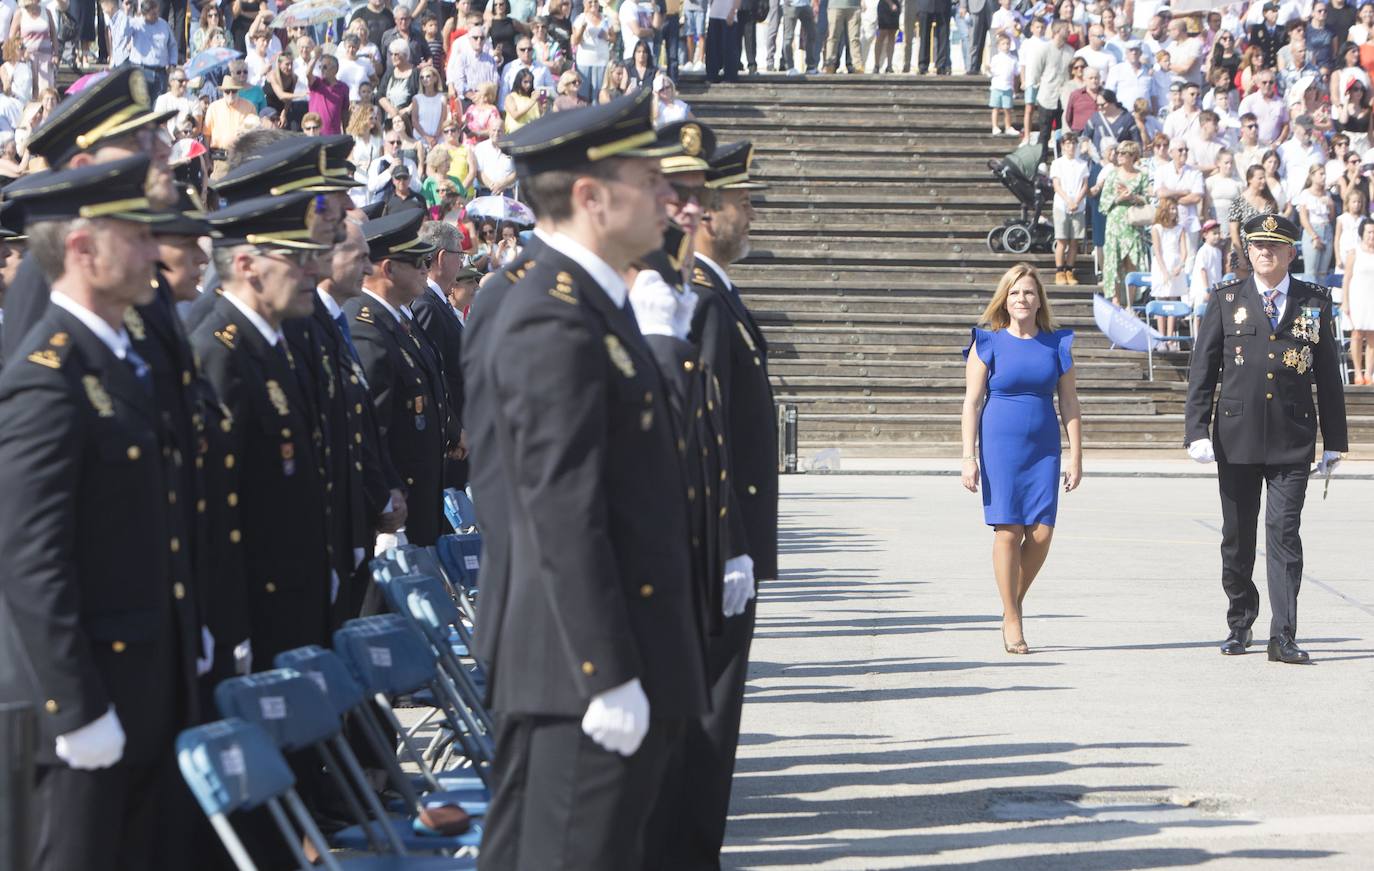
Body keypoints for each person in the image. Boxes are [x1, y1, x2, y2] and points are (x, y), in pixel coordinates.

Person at [466, 90, 709, 870]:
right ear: (589, 196)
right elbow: (558, 507)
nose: (669, 195)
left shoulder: (595, 304)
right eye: (647, 176)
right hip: (580, 672)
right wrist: (605, 671)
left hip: (607, 659)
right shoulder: (551, 313)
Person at [0, 155, 196, 871]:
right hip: (87, 708)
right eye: (135, 234)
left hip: (148, 692)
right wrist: (74, 708)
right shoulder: (46, 378)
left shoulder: (120, 361)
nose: (154, 250)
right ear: (82, 248)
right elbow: (29, 559)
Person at [1186, 214, 1348, 664]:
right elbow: (1204, 368)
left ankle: (1284, 635)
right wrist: (1195, 429)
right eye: (1257, 246)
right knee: (1238, 537)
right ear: (1249, 251)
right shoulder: (1227, 298)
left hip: (1291, 436)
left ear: (1291, 252)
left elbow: (1327, 374)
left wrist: (1336, 440)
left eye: (1275, 247)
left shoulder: (1313, 301)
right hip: (1235, 436)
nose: (1264, 253)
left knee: (1284, 535)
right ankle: (1240, 624)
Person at [680, 138, 775, 868]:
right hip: (718, 545)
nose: (750, 215)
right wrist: (730, 539)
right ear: (709, 213)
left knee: (719, 716)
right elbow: (708, 437)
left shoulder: (718, 293)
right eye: (742, 203)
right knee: (708, 717)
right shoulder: (705, 302)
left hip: (730, 540)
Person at [960, 263, 1081, 655]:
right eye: (1014, 293)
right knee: (1008, 531)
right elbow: (972, 401)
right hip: (1000, 443)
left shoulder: (1056, 344)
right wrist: (968, 456)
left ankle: (1011, 600)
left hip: (1044, 445)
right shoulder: (987, 342)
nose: (1022, 299)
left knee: (1042, 533)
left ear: (1039, 299)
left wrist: (1076, 454)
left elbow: (1070, 402)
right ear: (1004, 299)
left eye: (1029, 292)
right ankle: (1012, 617)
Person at [343, 207, 448, 546]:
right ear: (388, 269)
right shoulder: (367, 328)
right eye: (418, 263)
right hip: (396, 510)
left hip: (417, 501)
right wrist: (385, 496)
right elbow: (374, 430)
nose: (425, 271)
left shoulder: (397, 322)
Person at [412, 220, 470, 492]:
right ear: (442, 257)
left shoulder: (437, 303)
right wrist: (454, 430)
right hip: (452, 440)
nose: (461, 263)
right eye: (459, 255)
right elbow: (434, 374)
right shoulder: (426, 305)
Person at [1097, 139, 1150, 308]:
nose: (1118, 156)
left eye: (1122, 153)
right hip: (1115, 224)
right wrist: (1120, 198)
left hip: (1133, 223)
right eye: (1118, 153)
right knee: (1114, 262)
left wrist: (1133, 197)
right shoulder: (1112, 175)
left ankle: (1130, 303)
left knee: (1132, 262)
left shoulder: (1142, 176)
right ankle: (1116, 301)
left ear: (1132, 156)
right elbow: (1103, 204)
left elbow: (1147, 199)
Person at [1050, 131, 1087, 285]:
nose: (1071, 147)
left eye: (1073, 144)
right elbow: (1056, 185)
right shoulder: (1057, 163)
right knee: (1062, 239)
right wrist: (1068, 200)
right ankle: (1059, 271)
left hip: (1078, 206)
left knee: (1074, 241)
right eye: (1068, 144)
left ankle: (1069, 270)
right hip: (1061, 205)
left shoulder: (1082, 164)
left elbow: (1085, 185)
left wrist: (1076, 201)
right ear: (1063, 146)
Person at [1340, 217, 1374, 384]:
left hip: (1372, 298)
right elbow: (1347, 278)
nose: (1372, 235)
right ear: (1363, 233)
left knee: (1372, 336)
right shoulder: (1354, 252)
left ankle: (1369, 373)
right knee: (1357, 334)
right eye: (1369, 232)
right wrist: (1345, 302)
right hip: (1357, 298)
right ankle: (1358, 373)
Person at [1150, 196, 1188, 336]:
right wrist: (1164, 272)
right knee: (1161, 300)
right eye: (1171, 209)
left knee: (1173, 301)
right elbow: (1158, 252)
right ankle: (1161, 335)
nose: (1174, 212)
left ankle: (1171, 335)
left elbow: (1184, 252)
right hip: (1162, 266)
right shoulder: (1157, 228)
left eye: (1175, 209)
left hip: (1175, 264)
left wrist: (1180, 266)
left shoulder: (1180, 228)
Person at [1295, 165, 1335, 282]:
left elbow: (1331, 217)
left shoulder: (1327, 194)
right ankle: (1310, 299)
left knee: (1323, 272)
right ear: (1312, 176)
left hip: (1327, 229)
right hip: (1313, 230)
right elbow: (1303, 218)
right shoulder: (1305, 194)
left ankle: (1322, 299)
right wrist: (1314, 236)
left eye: (1324, 174)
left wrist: (1331, 205)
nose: (1324, 177)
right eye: (1321, 174)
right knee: (1311, 271)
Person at [988, 33, 1017, 135]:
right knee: (995, 108)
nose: (1006, 46)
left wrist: (1014, 89)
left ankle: (1008, 126)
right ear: (998, 46)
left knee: (1007, 109)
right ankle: (995, 126)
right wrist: (988, 69)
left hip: (1008, 87)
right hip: (996, 87)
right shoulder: (995, 58)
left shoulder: (1013, 59)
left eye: (1007, 44)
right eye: (1003, 44)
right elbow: (992, 72)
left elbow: (1015, 74)